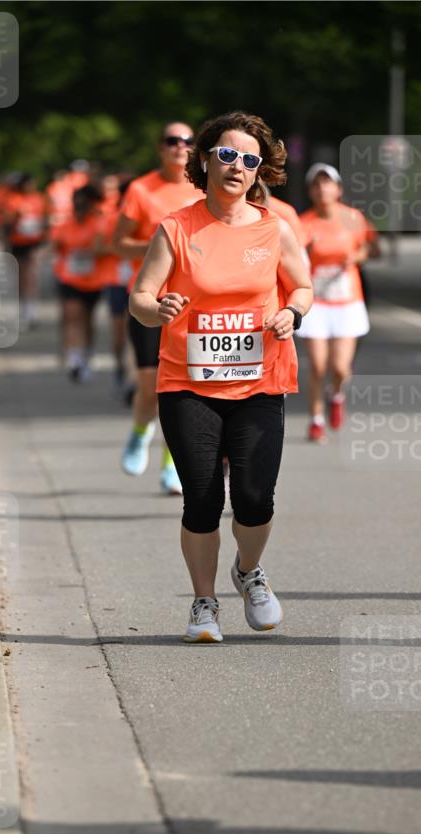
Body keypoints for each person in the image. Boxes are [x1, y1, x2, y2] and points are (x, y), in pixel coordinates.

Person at [130, 110, 313, 642]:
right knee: (203, 498)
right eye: (227, 154)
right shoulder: (177, 227)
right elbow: (140, 296)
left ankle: (249, 571)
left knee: (256, 497)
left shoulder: (274, 229)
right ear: (205, 158)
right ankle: (203, 603)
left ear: (260, 172)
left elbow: (302, 287)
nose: (237, 166)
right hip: (188, 382)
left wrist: (293, 314)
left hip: (260, 379)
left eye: (249, 159)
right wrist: (158, 309)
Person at [114, 122, 202, 495]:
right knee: (150, 390)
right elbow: (118, 242)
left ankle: (172, 466)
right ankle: (139, 431)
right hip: (151, 301)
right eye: (172, 141)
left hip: (193, 304)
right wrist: (157, 248)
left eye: (186, 141)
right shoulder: (141, 189)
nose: (179, 147)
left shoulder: (204, 188)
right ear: (160, 148)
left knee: (181, 391)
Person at [298, 163, 379, 443]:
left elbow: (371, 247)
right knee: (318, 366)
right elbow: (293, 258)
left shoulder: (354, 219)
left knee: (341, 368)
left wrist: (356, 257)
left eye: (328, 183)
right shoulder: (304, 223)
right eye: (317, 184)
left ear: (338, 189)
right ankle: (316, 419)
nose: (323, 189)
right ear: (311, 191)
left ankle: (337, 394)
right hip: (317, 303)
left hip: (347, 301)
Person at [51, 183, 110, 382]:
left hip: (93, 281)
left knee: (87, 320)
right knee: (71, 315)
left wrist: (88, 251)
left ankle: (86, 356)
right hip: (69, 278)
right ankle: (73, 358)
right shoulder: (65, 224)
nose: (81, 209)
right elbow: (56, 245)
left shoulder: (99, 223)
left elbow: (103, 247)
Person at [97, 174, 135, 395]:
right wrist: (122, 248)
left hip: (139, 278)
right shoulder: (111, 216)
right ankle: (120, 368)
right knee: (119, 332)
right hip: (115, 280)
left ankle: (133, 378)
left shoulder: (143, 216)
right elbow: (98, 246)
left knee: (135, 329)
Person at [3, 172, 48, 330]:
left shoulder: (38, 199)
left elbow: (45, 219)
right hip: (18, 242)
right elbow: (7, 223)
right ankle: (23, 306)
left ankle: (31, 310)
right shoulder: (14, 199)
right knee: (22, 275)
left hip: (34, 242)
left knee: (31, 274)